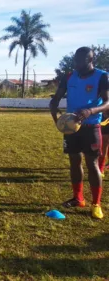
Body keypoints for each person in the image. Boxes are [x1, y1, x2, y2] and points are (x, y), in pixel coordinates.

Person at [50, 46, 109, 219]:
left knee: (92, 164)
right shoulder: (69, 76)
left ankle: (96, 204)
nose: (75, 63)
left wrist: (90, 111)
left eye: (79, 61)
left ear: (90, 60)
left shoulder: (102, 76)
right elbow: (58, 96)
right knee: (74, 161)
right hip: (71, 127)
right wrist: (54, 105)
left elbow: (107, 102)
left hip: (91, 126)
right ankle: (78, 198)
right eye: (75, 60)